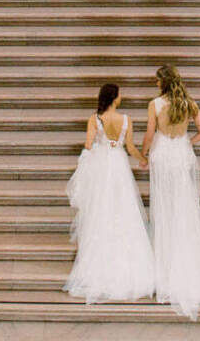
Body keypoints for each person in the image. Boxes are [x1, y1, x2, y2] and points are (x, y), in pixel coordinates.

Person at [64, 81, 155, 304]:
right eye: (120, 94)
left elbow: (88, 145)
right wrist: (144, 159)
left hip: (102, 166)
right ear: (115, 98)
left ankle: (98, 264)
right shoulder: (126, 120)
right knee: (124, 209)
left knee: (101, 210)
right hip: (120, 166)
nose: (121, 97)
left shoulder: (94, 119)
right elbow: (131, 147)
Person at [142, 64, 200, 319]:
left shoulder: (155, 104)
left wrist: (142, 155)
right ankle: (189, 263)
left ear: (163, 82)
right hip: (181, 155)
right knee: (184, 206)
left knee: (164, 207)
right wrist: (187, 142)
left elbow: (150, 134)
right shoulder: (188, 103)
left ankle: (165, 263)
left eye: (156, 80)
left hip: (163, 156)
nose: (154, 84)